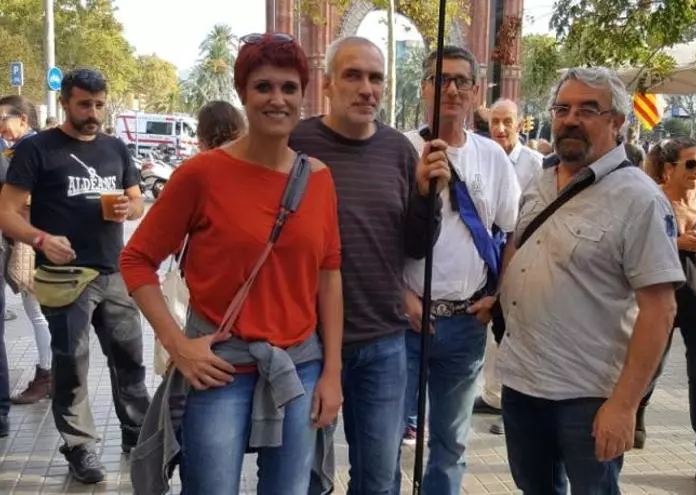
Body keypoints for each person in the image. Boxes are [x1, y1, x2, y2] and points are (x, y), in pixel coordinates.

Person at [121, 33, 344, 495]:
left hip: (299, 366)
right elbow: (136, 260)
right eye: (263, 87)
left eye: (289, 87)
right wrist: (178, 345)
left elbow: (329, 275)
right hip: (220, 369)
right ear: (242, 94)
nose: (277, 99)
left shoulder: (318, 179)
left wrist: (332, 373)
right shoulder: (202, 175)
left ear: (304, 95)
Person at [496, 67, 684, 494]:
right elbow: (523, 251)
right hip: (522, 381)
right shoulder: (540, 182)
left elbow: (660, 310)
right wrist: (499, 297)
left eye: (587, 110)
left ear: (616, 121)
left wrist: (625, 405)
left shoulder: (639, 199)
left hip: (588, 396)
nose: (570, 119)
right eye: (562, 109)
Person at [288, 36, 449, 495]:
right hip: (305, 341)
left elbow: (416, 247)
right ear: (327, 84)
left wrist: (427, 196)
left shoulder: (399, 150)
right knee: (302, 479)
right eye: (353, 75)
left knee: (378, 481)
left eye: (376, 78)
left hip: (382, 341)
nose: (366, 88)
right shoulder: (296, 143)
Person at [0, 68, 151, 483]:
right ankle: (80, 447)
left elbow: (137, 200)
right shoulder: (38, 149)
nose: (93, 113)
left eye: (99, 104)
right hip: (64, 276)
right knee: (72, 364)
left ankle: (137, 433)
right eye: (85, 104)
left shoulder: (116, 148)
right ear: (65, 102)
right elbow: (6, 212)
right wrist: (40, 239)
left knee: (130, 359)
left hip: (113, 272)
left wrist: (130, 208)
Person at [401, 45, 521, 494]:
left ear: (475, 92)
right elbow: (375, 236)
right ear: (424, 88)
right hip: (404, 321)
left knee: (451, 443)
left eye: (461, 81)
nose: (451, 90)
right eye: (440, 79)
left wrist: (498, 296)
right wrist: (400, 295)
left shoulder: (492, 156)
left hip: (467, 322)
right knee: (386, 437)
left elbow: (511, 232)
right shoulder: (399, 149)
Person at [638, 138, 696, 494]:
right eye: (691, 164)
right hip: (660, 296)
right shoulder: (652, 200)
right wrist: (676, 243)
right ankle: (637, 411)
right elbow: (637, 248)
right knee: (651, 366)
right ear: (669, 169)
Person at [474, 98, 539, 436]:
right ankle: (492, 396)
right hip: (488, 259)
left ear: (520, 123)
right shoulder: (481, 157)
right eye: (494, 122)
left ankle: (512, 409)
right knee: (493, 334)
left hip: (525, 263)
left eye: (507, 122)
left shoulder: (536, 165)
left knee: (515, 335)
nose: (500, 129)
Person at [0, 95, 53, 405]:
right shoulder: (24, 149)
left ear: (22, 118)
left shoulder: (29, 151)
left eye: (3, 119)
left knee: (38, 312)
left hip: (34, 240)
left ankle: (47, 374)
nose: (0, 127)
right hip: (35, 238)